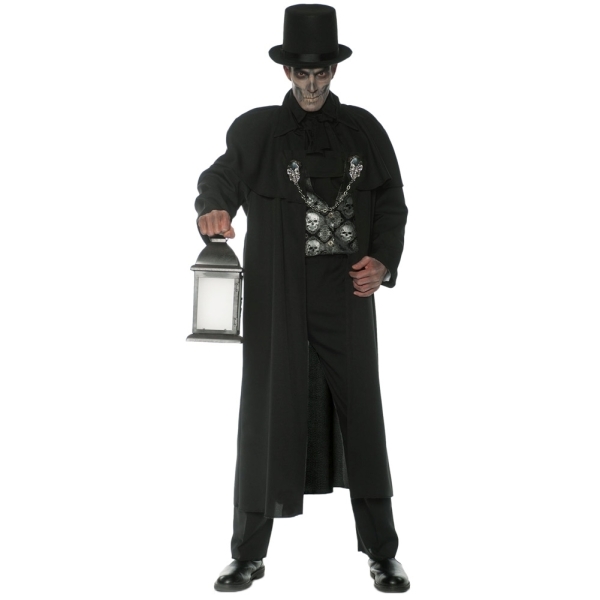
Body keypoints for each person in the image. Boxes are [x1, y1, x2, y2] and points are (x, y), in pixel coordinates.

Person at [195, 4, 410, 593]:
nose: (311, 85)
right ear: (287, 71)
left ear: (333, 72)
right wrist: (212, 209)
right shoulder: (257, 131)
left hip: (347, 293)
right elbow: (219, 179)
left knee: (362, 413)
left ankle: (382, 551)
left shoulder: (365, 130)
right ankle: (247, 554)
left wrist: (383, 261)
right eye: (301, 73)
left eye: (321, 73)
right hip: (278, 293)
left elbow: (392, 202)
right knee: (265, 412)